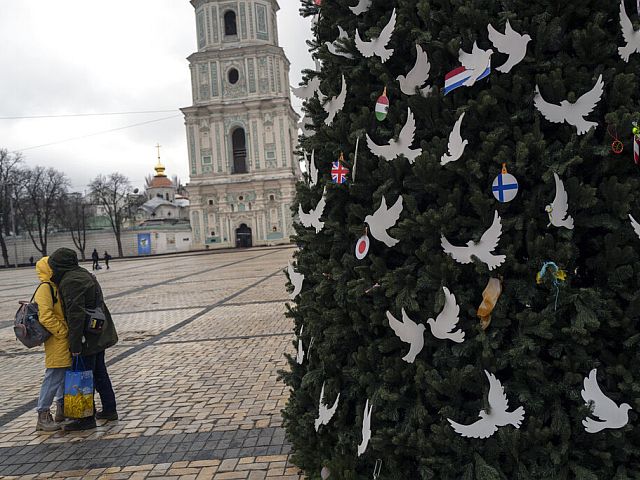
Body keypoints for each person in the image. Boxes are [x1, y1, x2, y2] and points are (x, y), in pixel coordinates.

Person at [48, 248, 119, 431]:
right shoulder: (82, 274)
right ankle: (110, 409)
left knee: (82, 376)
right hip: (98, 332)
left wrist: (75, 344)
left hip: (87, 336)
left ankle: (85, 418)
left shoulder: (71, 281)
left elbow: (75, 315)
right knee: (99, 372)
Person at [34, 257, 72, 431]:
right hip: (56, 340)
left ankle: (61, 411)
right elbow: (45, 316)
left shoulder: (54, 286)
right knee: (53, 377)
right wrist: (62, 331)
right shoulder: (45, 288)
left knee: (62, 376)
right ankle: (42, 415)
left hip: (62, 340)